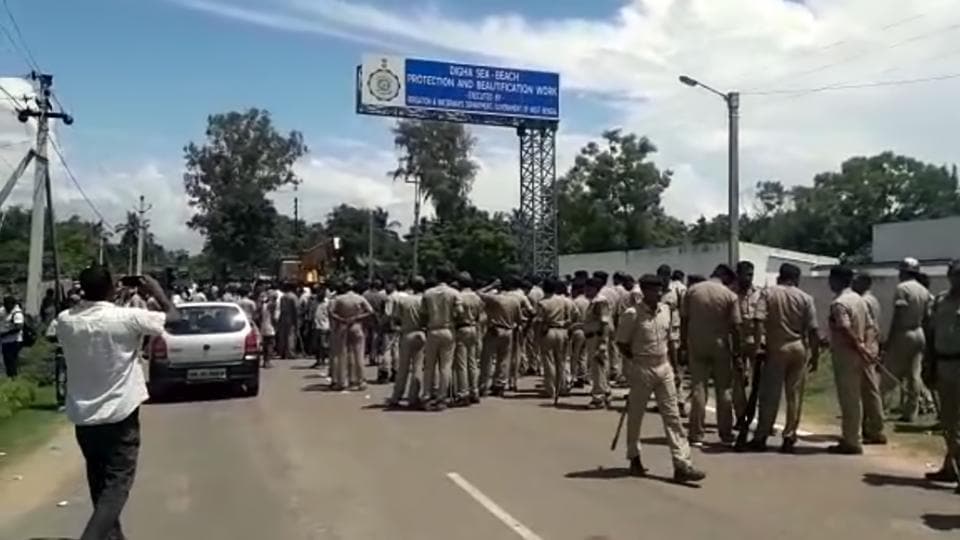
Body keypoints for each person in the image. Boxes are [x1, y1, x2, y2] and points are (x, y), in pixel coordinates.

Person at [55, 266, 177, 540]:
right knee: (117, 485)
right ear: (111, 288)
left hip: (85, 417)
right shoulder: (126, 318)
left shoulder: (65, 320)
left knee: (99, 483)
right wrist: (158, 291)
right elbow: (173, 318)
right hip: (120, 414)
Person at [616, 274, 705, 483]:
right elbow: (621, 343)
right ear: (645, 291)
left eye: (660, 289)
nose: (659, 293)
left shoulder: (666, 310)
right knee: (636, 416)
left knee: (673, 416)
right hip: (642, 367)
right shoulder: (632, 314)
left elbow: (670, 341)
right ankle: (634, 457)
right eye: (655, 290)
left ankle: (682, 463)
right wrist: (635, 360)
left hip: (664, 366)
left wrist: (675, 370)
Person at [747, 263, 820, 453]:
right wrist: (815, 355)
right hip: (799, 347)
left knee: (770, 395)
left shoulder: (769, 293)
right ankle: (789, 436)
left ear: (780, 276)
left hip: (776, 347)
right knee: (794, 395)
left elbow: (758, 320)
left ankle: (762, 435)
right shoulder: (806, 298)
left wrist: (757, 345)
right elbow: (813, 329)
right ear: (796, 279)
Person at [683, 264, 741, 446]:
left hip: (697, 343)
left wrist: (683, 346)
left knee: (698, 388)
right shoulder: (729, 295)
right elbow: (735, 326)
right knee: (723, 389)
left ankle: (696, 434)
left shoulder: (692, 291)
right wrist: (737, 351)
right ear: (725, 277)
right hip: (720, 345)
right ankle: (725, 434)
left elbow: (684, 319)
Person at [923, 260, 960, 491]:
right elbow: (931, 333)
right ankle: (951, 467)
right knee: (948, 421)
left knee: (955, 424)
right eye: (955, 274)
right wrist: (929, 364)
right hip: (943, 365)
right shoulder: (940, 301)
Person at [882, 258, 933, 422]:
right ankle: (911, 411)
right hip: (919, 332)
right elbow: (927, 317)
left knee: (890, 372)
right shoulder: (923, 290)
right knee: (914, 374)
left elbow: (898, 314)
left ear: (903, 272)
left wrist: (890, 338)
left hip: (903, 332)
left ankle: (881, 408)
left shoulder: (902, 288)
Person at [827, 265, 872, 455]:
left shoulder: (840, 303)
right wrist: (867, 346)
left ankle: (851, 441)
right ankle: (853, 436)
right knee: (855, 397)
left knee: (849, 399)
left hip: (846, 353)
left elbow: (845, 328)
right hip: (859, 352)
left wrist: (858, 345)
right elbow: (870, 326)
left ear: (837, 280)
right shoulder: (859, 299)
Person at [851, 273, 887, 445]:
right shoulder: (872, 299)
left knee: (869, 390)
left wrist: (864, 346)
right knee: (868, 389)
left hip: (866, 347)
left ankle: (876, 429)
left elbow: (869, 327)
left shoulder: (864, 301)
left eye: (856, 281)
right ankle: (870, 427)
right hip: (870, 346)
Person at [420, 269, 460, 411]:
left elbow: (423, 313)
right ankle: (442, 398)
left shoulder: (428, 293)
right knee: (446, 366)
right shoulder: (454, 293)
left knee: (429, 366)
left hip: (432, 330)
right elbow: (459, 312)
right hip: (448, 330)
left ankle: (426, 396)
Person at [478, 277, 523, 397]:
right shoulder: (515, 301)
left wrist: (491, 285)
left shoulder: (495, 298)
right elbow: (519, 319)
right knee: (504, 359)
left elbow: (478, 293)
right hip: (509, 331)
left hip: (495, 330)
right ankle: (500, 384)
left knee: (487, 359)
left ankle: (483, 385)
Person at [386, 277, 426, 408]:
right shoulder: (424, 300)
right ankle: (413, 397)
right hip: (421, 333)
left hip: (406, 333)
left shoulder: (405, 300)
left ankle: (396, 396)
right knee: (417, 367)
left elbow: (396, 318)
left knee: (403, 367)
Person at [329, 280, 374, 391]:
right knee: (358, 354)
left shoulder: (339, 299)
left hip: (342, 326)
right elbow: (370, 311)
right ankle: (360, 381)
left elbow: (331, 312)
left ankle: (341, 381)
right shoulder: (359, 298)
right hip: (356, 326)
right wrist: (357, 317)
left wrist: (340, 319)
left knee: (342, 354)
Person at [734, 261, 763, 424]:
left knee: (759, 382)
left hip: (755, 340)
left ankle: (759, 417)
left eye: (751, 274)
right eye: (746, 274)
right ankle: (740, 416)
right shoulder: (731, 294)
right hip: (738, 340)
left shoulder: (759, 293)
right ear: (738, 275)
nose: (749, 278)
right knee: (738, 381)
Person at [658, 264, 686, 417]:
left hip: (674, 333)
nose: (664, 278)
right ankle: (665, 401)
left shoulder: (677, 291)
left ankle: (680, 402)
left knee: (676, 369)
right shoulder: (656, 292)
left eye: (666, 275)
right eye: (661, 275)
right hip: (660, 333)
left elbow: (684, 312)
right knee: (662, 369)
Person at [537, 277, 573, 400]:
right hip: (562, 331)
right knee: (561, 361)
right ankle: (562, 387)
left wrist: (540, 333)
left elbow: (540, 320)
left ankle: (550, 389)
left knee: (548, 361)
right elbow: (570, 317)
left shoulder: (542, 302)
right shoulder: (563, 300)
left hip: (548, 331)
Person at [454, 272, 483, 405]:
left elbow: (456, 314)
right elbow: (480, 315)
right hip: (474, 328)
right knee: (472, 362)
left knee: (461, 363)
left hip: (462, 328)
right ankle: (474, 391)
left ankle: (463, 393)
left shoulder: (459, 296)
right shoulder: (476, 297)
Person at [584, 277, 613, 409]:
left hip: (597, 338)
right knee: (598, 367)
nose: (586, 290)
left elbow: (605, 323)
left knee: (598, 369)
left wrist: (602, 342)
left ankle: (598, 397)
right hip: (592, 337)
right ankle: (606, 392)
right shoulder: (593, 302)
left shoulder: (600, 302)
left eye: (589, 288)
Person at [569, 279, 589, 388]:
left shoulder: (575, 302)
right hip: (587, 330)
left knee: (574, 355)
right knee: (583, 355)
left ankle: (573, 377)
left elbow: (572, 317)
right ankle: (582, 376)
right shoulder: (588, 301)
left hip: (576, 330)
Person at [0, 295, 24, 378]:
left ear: (13, 304)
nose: (6, 306)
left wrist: (4, 333)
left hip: (15, 340)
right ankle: (10, 376)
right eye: (5, 304)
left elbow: (18, 328)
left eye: (8, 304)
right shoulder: (3, 310)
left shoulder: (17, 313)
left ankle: (14, 377)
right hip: (5, 340)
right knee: (7, 359)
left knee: (11, 360)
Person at [310, 284, 331, 369]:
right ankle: (318, 360)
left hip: (325, 326)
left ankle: (322, 361)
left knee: (323, 345)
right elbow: (312, 313)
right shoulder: (314, 302)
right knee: (316, 345)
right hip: (316, 326)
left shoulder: (328, 302)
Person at [277, 283, 299, 359]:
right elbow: (296, 309)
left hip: (283, 316)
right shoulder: (293, 297)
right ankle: (290, 353)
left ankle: (282, 352)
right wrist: (297, 320)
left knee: (283, 335)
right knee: (290, 335)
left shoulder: (283, 297)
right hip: (291, 317)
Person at [258, 291, 277, 369]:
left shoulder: (264, 305)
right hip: (270, 326)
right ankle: (268, 361)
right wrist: (275, 325)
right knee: (270, 344)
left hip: (264, 326)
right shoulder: (271, 305)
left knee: (265, 344)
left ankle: (265, 361)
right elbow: (273, 318)